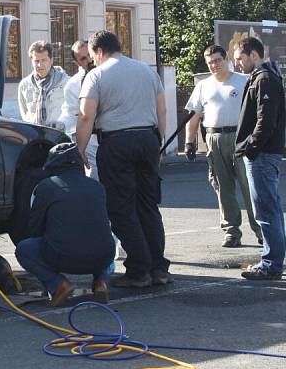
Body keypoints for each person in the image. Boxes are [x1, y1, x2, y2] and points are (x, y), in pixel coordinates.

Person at [76, 30, 171, 288]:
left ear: (98, 52)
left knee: (121, 208)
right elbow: (162, 109)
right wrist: (158, 144)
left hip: (117, 143)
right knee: (148, 206)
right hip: (148, 139)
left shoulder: (96, 74)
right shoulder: (146, 70)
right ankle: (159, 268)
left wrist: (80, 148)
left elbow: (86, 116)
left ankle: (139, 270)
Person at [15, 143, 115, 305]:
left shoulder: (47, 187)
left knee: (24, 249)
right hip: (102, 256)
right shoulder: (97, 186)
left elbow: (34, 228)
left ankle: (58, 285)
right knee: (107, 244)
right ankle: (101, 282)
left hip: (63, 257)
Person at [185, 45, 262, 248]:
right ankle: (231, 232)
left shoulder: (243, 81)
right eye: (210, 62)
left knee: (249, 186)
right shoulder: (203, 86)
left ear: (226, 59)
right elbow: (194, 117)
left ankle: (261, 230)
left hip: (241, 137)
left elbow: (258, 111)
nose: (214, 65)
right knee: (223, 188)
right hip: (215, 138)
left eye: (218, 60)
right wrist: (189, 142)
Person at [233, 37, 285, 280]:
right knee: (269, 210)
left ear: (254, 54)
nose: (238, 65)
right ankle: (273, 260)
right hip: (262, 154)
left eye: (240, 59)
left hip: (262, 156)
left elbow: (266, 121)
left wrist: (250, 147)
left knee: (266, 211)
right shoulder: (263, 77)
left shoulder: (264, 79)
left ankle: (271, 263)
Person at [59, 39, 99, 180]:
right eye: (83, 58)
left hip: (116, 139)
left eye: (89, 54)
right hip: (92, 142)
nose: (89, 60)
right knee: (95, 180)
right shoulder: (73, 85)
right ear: (77, 63)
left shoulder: (112, 73)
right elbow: (72, 115)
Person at [18, 40, 68, 130]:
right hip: (34, 136)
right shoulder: (24, 85)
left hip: (58, 135)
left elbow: (72, 112)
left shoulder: (65, 82)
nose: (40, 64)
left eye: (44, 60)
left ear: (51, 60)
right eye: (36, 61)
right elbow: (24, 113)